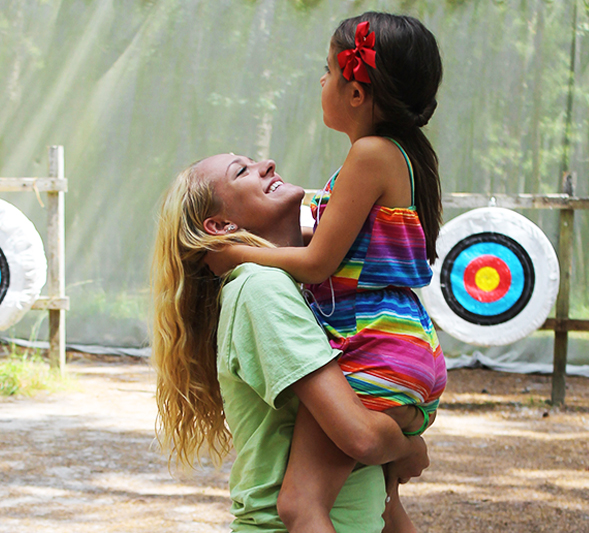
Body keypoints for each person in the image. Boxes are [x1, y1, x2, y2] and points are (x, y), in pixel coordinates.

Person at [207, 12, 447, 533]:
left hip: (373, 347)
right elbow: (327, 235)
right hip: (406, 350)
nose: (320, 81)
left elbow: (318, 263)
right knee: (385, 505)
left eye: (327, 69)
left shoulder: (369, 155)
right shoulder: (394, 158)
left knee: (300, 506)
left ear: (356, 92)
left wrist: (237, 254)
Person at [150, 154, 430, 533]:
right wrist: (409, 448)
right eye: (242, 171)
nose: (266, 163)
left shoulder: (304, 291)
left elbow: (376, 495)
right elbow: (360, 436)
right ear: (220, 225)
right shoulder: (261, 288)